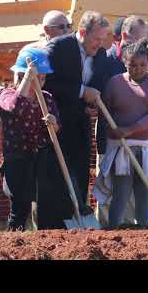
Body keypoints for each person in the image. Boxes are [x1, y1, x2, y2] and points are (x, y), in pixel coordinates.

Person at [93, 38, 148, 227]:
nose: (138, 69)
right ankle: (113, 229)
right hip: (121, 147)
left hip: (147, 146)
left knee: (144, 190)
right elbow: (105, 111)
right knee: (121, 190)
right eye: (132, 65)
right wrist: (113, 131)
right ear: (124, 63)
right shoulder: (115, 82)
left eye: (143, 64)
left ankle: (143, 231)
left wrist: (129, 130)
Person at [44, 11, 108, 215]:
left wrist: (91, 102)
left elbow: (98, 81)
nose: (99, 44)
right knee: (57, 176)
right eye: (96, 38)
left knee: (81, 171)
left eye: (102, 39)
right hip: (57, 124)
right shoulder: (59, 48)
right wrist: (81, 92)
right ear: (82, 32)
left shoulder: (101, 54)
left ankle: (79, 214)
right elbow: (48, 84)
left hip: (82, 124)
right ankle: (57, 222)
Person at [0, 48, 69, 230]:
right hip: (17, 159)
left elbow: (56, 128)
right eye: (36, 79)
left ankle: (46, 242)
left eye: (43, 79)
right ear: (19, 77)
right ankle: (13, 243)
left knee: (46, 206)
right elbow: (14, 108)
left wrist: (53, 123)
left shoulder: (47, 99)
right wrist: (28, 77)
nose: (39, 83)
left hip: (41, 158)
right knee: (19, 208)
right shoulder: (7, 96)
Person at [91, 15, 148, 226]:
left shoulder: (142, 61)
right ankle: (106, 230)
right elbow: (95, 94)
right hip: (110, 133)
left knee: (130, 187)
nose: (144, 44)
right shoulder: (106, 60)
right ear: (125, 36)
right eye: (140, 39)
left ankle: (128, 231)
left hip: (135, 134)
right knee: (108, 184)